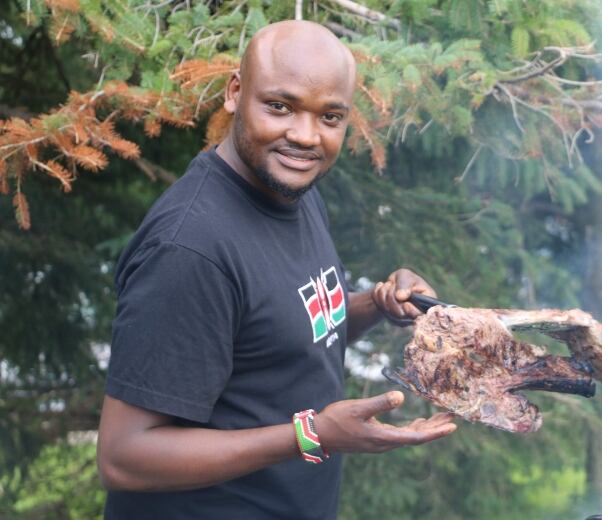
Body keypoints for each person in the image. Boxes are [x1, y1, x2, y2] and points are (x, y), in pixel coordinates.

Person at [96, 19, 457, 520]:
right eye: (280, 107)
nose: (305, 137)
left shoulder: (290, 189)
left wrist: (376, 305)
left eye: (330, 117)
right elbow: (124, 456)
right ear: (235, 93)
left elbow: (282, 334)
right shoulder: (189, 249)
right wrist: (312, 435)